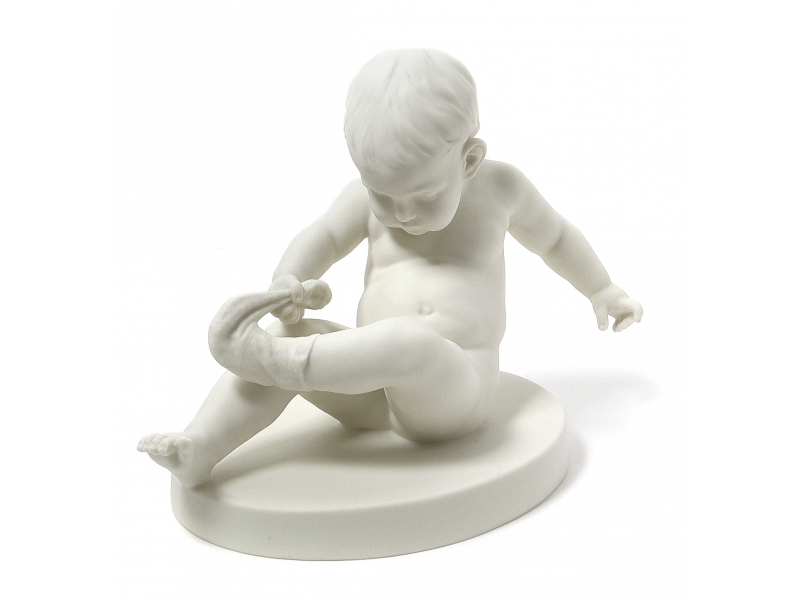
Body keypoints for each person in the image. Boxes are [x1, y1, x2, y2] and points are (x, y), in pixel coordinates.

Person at [138, 48, 642, 488]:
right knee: (294, 333)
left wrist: (601, 289)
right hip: (366, 387)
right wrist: (288, 280)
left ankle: (282, 363)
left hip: (451, 393)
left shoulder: (500, 190)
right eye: (382, 194)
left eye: (424, 196)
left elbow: (555, 238)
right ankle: (200, 446)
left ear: (468, 160)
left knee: (410, 342)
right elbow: (324, 235)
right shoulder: (366, 197)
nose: (402, 214)